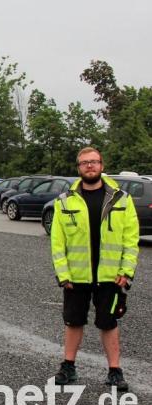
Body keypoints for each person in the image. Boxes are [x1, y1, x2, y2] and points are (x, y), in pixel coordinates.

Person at [50, 147, 139, 392]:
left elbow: (131, 240)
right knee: (73, 321)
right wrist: (63, 273)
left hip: (111, 277)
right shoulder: (65, 201)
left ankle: (115, 371)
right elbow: (57, 241)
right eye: (84, 163)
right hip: (76, 276)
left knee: (108, 323)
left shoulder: (121, 199)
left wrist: (127, 271)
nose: (90, 166)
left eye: (94, 162)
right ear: (78, 168)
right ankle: (68, 367)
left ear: (102, 165)